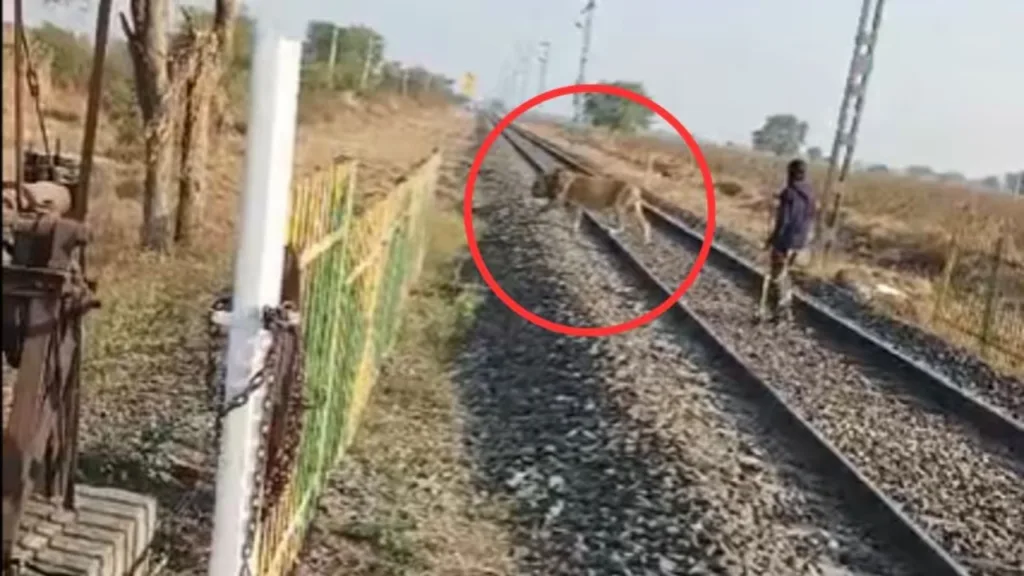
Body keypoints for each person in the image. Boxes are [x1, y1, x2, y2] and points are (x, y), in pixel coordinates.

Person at [758, 158, 816, 323]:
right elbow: (810, 217)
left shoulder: (789, 193)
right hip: (801, 241)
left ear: (790, 173)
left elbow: (784, 220)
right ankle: (786, 310)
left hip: (785, 240)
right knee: (785, 275)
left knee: (776, 276)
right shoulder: (810, 193)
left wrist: (772, 240)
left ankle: (779, 312)